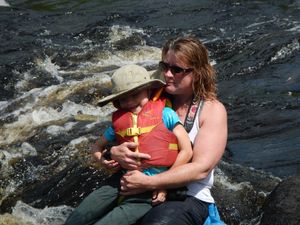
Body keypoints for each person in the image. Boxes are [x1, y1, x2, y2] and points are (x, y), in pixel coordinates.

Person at [105, 37, 228, 225]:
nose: (168, 74)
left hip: (186, 195)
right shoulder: (144, 99)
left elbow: (201, 169)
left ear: (198, 73)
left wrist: (149, 183)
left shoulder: (212, 110)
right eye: (165, 66)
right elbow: (112, 137)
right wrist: (113, 152)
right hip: (135, 186)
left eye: (177, 70)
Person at [64, 64, 193, 225]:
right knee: (76, 219)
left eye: (135, 94)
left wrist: (163, 183)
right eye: (123, 98)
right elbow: (96, 147)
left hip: (147, 191)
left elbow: (187, 151)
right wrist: (102, 160)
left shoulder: (166, 114)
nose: (130, 101)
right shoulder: (119, 122)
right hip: (120, 181)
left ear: (148, 90)